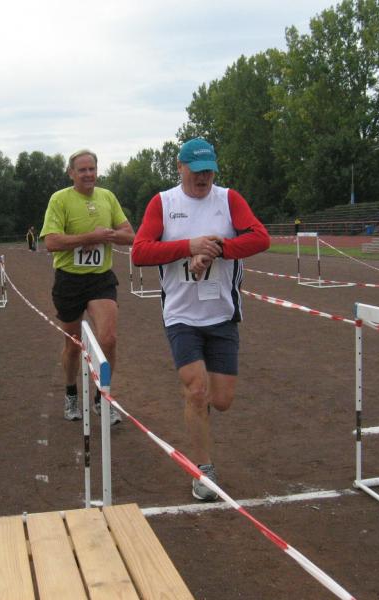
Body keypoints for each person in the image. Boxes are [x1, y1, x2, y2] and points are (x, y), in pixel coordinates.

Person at [131, 138, 270, 501]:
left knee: (221, 400)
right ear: (180, 168)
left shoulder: (229, 200)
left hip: (221, 313)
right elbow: (140, 252)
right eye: (196, 170)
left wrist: (217, 248)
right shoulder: (164, 203)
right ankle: (203, 469)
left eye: (209, 170)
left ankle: (201, 408)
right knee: (196, 390)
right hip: (181, 314)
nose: (204, 177)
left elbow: (260, 238)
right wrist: (189, 246)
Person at [39, 149, 135, 425]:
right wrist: (88, 238)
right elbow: (51, 242)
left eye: (92, 169)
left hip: (100, 279)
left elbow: (130, 235)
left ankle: (101, 398)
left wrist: (108, 236)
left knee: (109, 338)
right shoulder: (60, 199)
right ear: (71, 173)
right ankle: (71, 393)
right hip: (69, 280)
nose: (88, 174)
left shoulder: (107, 197)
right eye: (82, 170)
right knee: (73, 345)